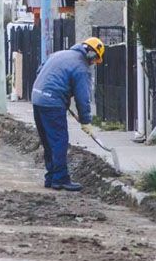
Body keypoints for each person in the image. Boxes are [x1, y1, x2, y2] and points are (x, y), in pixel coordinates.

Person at [31, 37, 105, 191]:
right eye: (95, 60)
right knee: (59, 140)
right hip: (52, 103)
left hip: (37, 98)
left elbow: (40, 71)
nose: (93, 64)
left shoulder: (59, 54)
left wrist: (61, 96)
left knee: (48, 141)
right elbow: (83, 98)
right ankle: (60, 179)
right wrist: (86, 121)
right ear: (91, 55)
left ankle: (51, 177)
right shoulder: (81, 67)